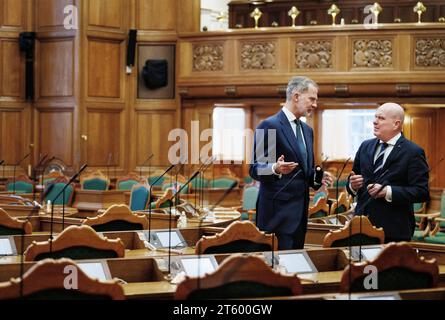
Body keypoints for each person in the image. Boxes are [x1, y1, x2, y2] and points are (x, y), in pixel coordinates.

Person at [249, 76, 332, 250]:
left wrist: (318, 176)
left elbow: (303, 171)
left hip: (300, 215)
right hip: (276, 215)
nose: (315, 104)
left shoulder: (307, 130)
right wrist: (274, 168)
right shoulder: (269, 125)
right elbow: (255, 169)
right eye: (312, 99)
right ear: (296, 96)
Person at [347, 102, 430, 242]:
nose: (374, 121)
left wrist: (388, 192)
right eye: (375, 117)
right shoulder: (365, 146)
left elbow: (422, 191)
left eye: (381, 118)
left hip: (394, 229)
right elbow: (354, 179)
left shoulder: (413, 152)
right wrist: (352, 186)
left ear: (396, 124)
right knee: (363, 265)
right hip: (361, 226)